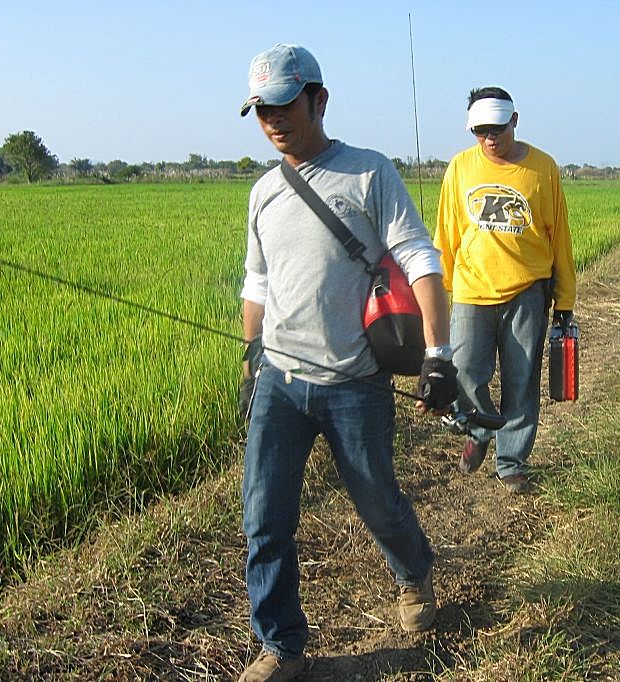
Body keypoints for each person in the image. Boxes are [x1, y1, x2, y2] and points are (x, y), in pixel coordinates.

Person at [236, 43, 458, 681]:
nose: (273, 119)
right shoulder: (262, 192)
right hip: (280, 380)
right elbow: (258, 285)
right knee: (264, 516)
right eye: (260, 109)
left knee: (377, 500)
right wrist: (251, 366)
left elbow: (419, 257)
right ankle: (280, 645)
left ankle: (414, 572)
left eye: (283, 104)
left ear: (318, 100)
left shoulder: (368, 172)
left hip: (355, 383)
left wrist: (437, 356)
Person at [434, 87, 576, 494]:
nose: (489, 138)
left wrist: (564, 299)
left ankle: (511, 460)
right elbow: (446, 233)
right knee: (464, 374)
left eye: (496, 128)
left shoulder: (542, 169)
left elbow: (558, 236)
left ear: (514, 120)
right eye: (480, 131)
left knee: (521, 380)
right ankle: (478, 431)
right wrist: (436, 294)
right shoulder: (460, 168)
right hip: (470, 290)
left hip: (527, 291)